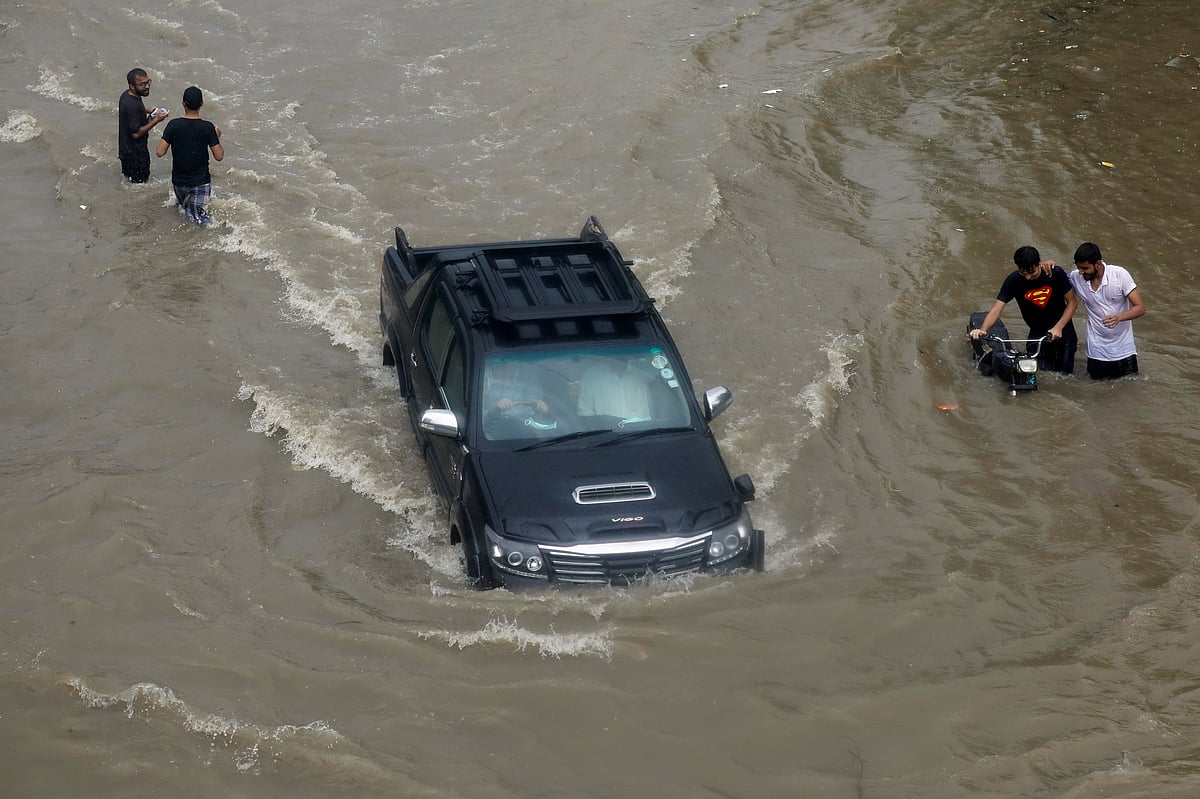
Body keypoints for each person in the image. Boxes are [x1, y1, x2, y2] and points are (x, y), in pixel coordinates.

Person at [969, 245, 1078, 373]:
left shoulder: (1055, 274)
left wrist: (1059, 327)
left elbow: (1072, 303)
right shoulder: (1013, 281)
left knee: (1065, 376)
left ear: (1040, 263)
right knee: (1033, 374)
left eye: (1032, 273)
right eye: (1023, 273)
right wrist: (983, 329)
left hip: (1064, 333)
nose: (1027, 277)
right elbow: (996, 309)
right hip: (1037, 334)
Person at [1067, 242, 1145, 380]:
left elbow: (1140, 308)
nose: (1081, 272)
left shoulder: (1119, 275)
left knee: (1130, 391)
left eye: (1085, 268)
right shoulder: (1076, 277)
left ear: (1098, 264)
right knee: (1098, 391)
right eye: (1078, 268)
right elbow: (1056, 280)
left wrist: (1119, 317)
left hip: (1124, 350)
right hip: (1096, 351)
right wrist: (1048, 264)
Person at [156, 86, 224, 225]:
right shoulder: (207, 127)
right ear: (202, 104)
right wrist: (216, 137)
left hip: (179, 183)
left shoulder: (173, 125)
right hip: (200, 182)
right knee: (200, 221)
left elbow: (160, 152)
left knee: (185, 211)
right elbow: (219, 156)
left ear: (183, 103)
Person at [118, 68, 168, 183]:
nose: (147, 87)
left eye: (148, 82)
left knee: (129, 182)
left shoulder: (126, 96)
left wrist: (146, 110)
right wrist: (156, 120)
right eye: (143, 84)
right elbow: (136, 134)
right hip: (136, 156)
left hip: (126, 152)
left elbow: (131, 113)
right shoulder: (132, 105)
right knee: (139, 186)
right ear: (132, 86)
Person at [577, 357, 652, 420]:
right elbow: (585, 411)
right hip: (608, 434)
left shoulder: (640, 375)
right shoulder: (592, 375)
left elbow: (647, 411)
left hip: (642, 433)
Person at [483, 359, 547, 414]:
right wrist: (496, 408)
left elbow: (536, 405)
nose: (503, 371)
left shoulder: (529, 381)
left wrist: (541, 407)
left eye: (506, 365)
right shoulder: (483, 386)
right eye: (498, 366)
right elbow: (481, 417)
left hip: (524, 424)